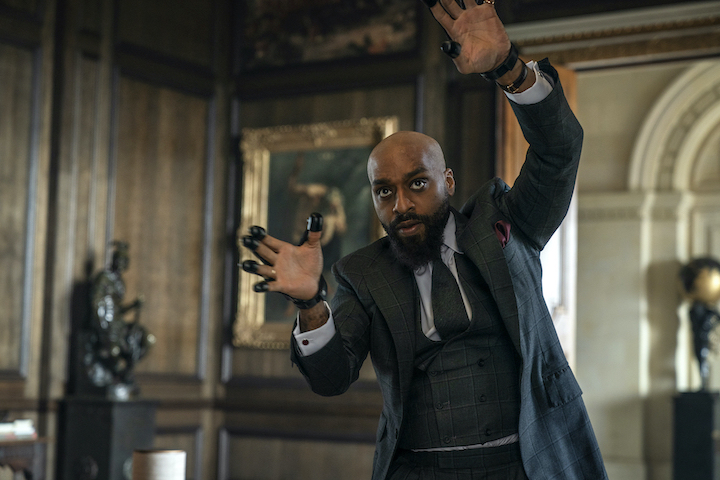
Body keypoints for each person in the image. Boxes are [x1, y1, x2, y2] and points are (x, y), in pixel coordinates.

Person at [241, 0, 607, 478]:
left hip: (531, 462)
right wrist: (311, 303)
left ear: (447, 182)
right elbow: (331, 379)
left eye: (417, 183)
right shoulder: (362, 274)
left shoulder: (509, 223)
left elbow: (559, 149)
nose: (401, 205)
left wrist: (509, 68)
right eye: (384, 191)